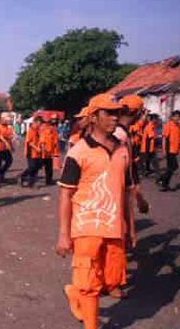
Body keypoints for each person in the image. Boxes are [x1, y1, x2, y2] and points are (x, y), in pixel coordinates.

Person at [56, 93, 134, 329]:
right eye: (108, 112)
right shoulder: (78, 152)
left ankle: (74, 292)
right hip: (85, 225)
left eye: (117, 113)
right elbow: (66, 194)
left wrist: (129, 227)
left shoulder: (123, 149)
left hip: (114, 226)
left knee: (111, 280)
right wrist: (63, 233)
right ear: (93, 117)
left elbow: (126, 191)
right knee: (90, 283)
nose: (114, 117)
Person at [159, 110, 180, 191]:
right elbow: (164, 139)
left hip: (175, 150)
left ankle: (163, 181)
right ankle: (163, 182)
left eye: (179, 116)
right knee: (173, 166)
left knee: (171, 167)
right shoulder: (168, 125)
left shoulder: (178, 126)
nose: (177, 118)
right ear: (172, 117)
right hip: (169, 150)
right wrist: (164, 150)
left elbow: (179, 138)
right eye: (176, 116)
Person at [20, 116, 42, 187]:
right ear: (35, 122)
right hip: (31, 152)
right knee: (32, 167)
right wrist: (36, 148)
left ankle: (31, 183)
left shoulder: (37, 131)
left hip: (37, 153)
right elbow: (29, 142)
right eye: (39, 123)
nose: (40, 125)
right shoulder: (30, 130)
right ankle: (23, 176)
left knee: (36, 167)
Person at [39, 117, 59, 185]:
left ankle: (49, 180)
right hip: (44, 153)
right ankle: (28, 177)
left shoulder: (53, 132)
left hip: (49, 153)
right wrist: (43, 153)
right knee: (37, 166)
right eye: (52, 124)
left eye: (54, 124)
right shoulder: (44, 131)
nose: (53, 126)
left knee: (49, 168)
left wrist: (54, 153)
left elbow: (55, 143)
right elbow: (42, 143)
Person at [0, 118, 14, 184]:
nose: (6, 121)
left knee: (9, 160)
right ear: (1, 120)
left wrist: (11, 146)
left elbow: (10, 137)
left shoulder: (9, 128)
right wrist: (5, 141)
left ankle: (1, 173)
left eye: (7, 120)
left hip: (6, 148)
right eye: (4, 119)